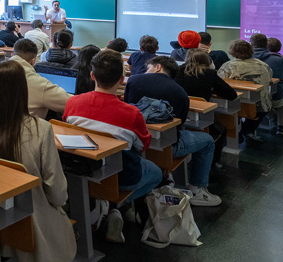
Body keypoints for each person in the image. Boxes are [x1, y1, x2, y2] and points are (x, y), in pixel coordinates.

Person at [0, 60, 75, 262]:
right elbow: (55, 188)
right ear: (23, 90)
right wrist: (60, 205)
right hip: (33, 217)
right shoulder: (41, 129)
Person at [63, 49, 162, 243]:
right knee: (156, 173)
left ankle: (106, 206)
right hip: (122, 175)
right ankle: (117, 206)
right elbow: (143, 146)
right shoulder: (132, 113)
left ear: (92, 76)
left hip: (80, 169)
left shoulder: (72, 102)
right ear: (122, 79)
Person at [125, 55, 223, 206]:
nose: (145, 72)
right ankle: (197, 189)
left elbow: (128, 106)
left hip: (137, 144)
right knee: (208, 141)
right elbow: (181, 122)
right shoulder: (179, 91)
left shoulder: (133, 80)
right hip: (168, 146)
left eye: (148, 68)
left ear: (158, 67)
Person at [176, 48, 238, 167]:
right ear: (207, 61)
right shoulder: (209, 74)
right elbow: (232, 95)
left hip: (181, 113)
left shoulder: (178, 71)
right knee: (221, 129)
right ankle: (214, 161)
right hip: (201, 117)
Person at [217, 40, 273, 144]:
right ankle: (246, 131)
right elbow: (269, 80)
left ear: (232, 51)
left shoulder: (228, 66)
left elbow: (220, 84)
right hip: (260, 107)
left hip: (235, 104)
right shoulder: (263, 65)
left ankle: (233, 132)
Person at [8, 39, 70, 118]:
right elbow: (69, 102)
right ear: (33, 61)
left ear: (12, 54)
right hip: (27, 128)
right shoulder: (39, 84)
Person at [251, 33, 283, 137]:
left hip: (249, 98)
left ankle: (272, 117)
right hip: (268, 98)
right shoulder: (281, 60)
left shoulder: (248, 59)